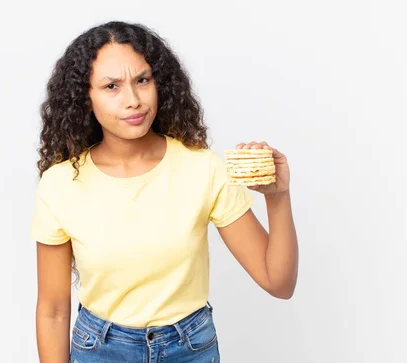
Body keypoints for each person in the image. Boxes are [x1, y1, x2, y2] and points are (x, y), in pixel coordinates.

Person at [29, 20, 299, 363]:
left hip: (191, 349)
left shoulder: (203, 168)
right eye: (112, 86)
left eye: (142, 80)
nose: (133, 100)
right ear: (85, 98)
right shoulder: (60, 184)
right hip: (101, 351)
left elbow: (279, 283)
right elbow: (52, 311)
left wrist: (277, 198)